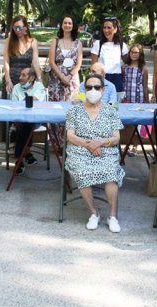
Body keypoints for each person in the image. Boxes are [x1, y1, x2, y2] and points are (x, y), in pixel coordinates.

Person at [65, 73, 125, 233]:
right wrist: (89, 144)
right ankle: (94, 212)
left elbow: (117, 137)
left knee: (111, 172)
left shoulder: (111, 111)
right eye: (89, 87)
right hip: (80, 150)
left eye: (96, 87)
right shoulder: (74, 110)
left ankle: (112, 216)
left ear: (103, 90)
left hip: (105, 150)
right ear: (84, 89)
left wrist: (100, 142)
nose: (93, 90)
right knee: (81, 170)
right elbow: (70, 135)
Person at [9, 68, 47, 173]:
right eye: (20, 75)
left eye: (24, 75)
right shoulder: (16, 87)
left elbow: (36, 99)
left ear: (32, 78)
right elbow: (14, 105)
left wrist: (26, 100)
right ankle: (26, 154)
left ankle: (19, 158)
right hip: (20, 118)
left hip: (36, 118)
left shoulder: (39, 86)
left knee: (22, 127)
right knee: (22, 125)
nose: (20, 77)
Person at [91, 16, 129, 100]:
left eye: (109, 28)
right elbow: (93, 65)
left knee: (116, 103)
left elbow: (127, 62)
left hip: (117, 78)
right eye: (104, 28)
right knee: (100, 102)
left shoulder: (122, 45)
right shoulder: (98, 44)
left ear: (115, 29)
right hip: (101, 78)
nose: (106, 30)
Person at [47, 15, 83, 103]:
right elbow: (51, 62)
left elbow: (78, 64)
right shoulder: (55, 41)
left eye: (69, 23)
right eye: (65, 23)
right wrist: (62, 77)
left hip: (72, 79)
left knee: (74, 104)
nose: (67, 25)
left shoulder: (78, 43)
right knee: (55, 106)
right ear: (62, 25)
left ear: (73, 25)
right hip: (56, 78)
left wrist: (69, 77)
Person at [3, 15, 41, 96]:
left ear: (25, 27)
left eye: (19, 27)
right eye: (15, 28)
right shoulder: (9, 41)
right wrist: (8, 80)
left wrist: (39, 79)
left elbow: (35, 62)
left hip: (27, 82)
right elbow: (6, 62)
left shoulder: (33, 42)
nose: (17, 30)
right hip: (11, 80)